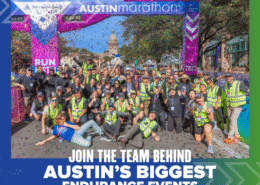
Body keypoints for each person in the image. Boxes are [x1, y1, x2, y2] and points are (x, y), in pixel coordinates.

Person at [36, 113, 110, 148]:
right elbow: (53, 136)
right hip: (73, 138)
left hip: (77, 132)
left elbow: (77, 127)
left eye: (64, 119)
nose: (64, 120)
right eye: (62, 119)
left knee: (91, 122)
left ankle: (101, 133)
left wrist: (67, 125)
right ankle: (89, 135)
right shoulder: (56, 128)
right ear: (58, 120)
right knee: (88, 144)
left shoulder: (67, 123)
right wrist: (44, 141)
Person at [224, 73, 249, 144]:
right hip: (230, 105)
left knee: (233, 119)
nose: (228, 77)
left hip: (238, 105)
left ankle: (230, 137)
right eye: (226, 76)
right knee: (232, 120)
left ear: (232, 77)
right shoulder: (226, 85)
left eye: (229, 76)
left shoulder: (238, 84)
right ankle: (237, 135)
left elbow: (247, 90)